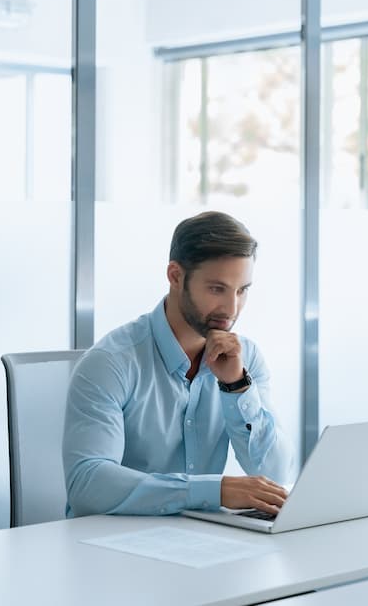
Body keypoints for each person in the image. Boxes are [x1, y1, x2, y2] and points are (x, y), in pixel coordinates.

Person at [63, 210, 293, 518]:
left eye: (242, 290)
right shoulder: (111, 362)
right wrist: (212, 491)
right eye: (217, 288)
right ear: (175, 276)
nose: (232, 308)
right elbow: (87, 485)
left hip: (200, 542)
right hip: (115, 547)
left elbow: (274, 472)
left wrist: (236, 386)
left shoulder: (246, 358)